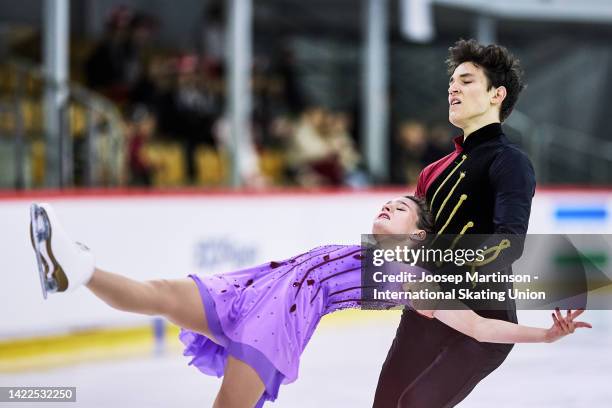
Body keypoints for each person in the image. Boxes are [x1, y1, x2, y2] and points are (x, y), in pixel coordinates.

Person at [29, 196, 589, 408]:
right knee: (159, 295)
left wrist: (545, 334)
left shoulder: (416, 278)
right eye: (389, 203)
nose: (389, 208)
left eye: (403, 209)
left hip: (278, 322)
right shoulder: (364, 249)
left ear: (421, 236)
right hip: (252, 288)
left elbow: (477, 328)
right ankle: (75, 268)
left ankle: (75, 267)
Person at [373, 39, 538, 407]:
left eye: (466, 80)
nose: (453, 88)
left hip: (483, 321)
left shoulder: (509, 162)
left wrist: (442, 271)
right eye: (451, 82)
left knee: (414, 403)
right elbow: (408, 243)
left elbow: (509, 242)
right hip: (427, 313)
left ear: (497, 94)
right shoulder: (433, 171)